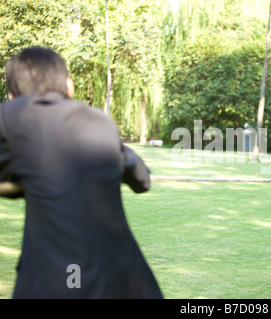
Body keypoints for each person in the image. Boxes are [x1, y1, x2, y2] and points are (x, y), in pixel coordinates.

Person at [0, 47, 163, 298]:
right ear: (69, 86)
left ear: (12, 95)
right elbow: (142, 180)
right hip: (128, 284)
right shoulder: (99, 120)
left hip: (55, 284)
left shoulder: (11, 116)